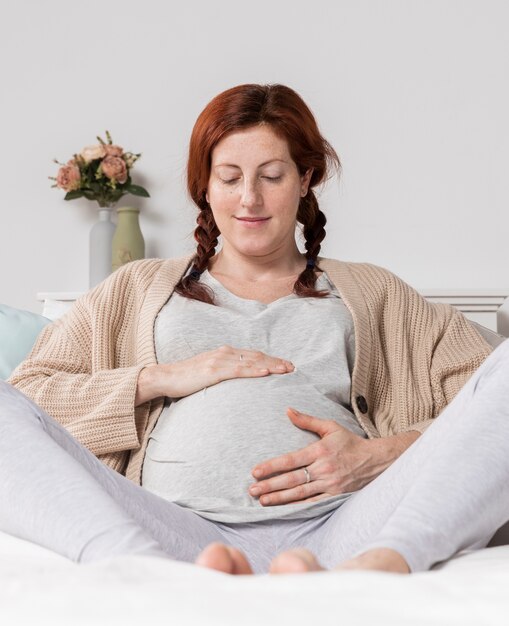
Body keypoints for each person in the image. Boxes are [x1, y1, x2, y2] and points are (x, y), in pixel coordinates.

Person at [2, 83, 509, 576]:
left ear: (305, 177)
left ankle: (385, 564)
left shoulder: (372, 291)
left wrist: (377, 456)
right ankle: (142, 570)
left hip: (348, 525)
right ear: (205, 184)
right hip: (173, 527)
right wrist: (160, 377)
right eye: (229, 177)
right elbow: (32, 395)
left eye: (271, 175)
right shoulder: (136, 287)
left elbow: (481, 397)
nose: (249, 198)